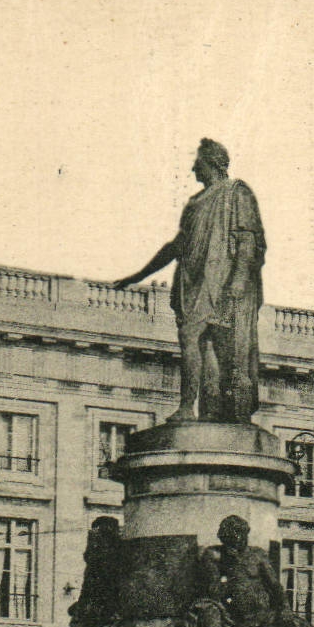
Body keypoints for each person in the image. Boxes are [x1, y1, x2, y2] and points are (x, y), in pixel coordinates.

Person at [113, 138, 266, 423]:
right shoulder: (195, 204)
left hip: (222, 283)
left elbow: (248, 239)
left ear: (213, 163)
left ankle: (204, 408)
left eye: (198, 162)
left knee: (219, 348)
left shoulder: (237, 192)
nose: (193, 168)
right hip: (194, 282)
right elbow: (175, 246)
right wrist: (137, 276)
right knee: (201, 344)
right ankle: (200, 409)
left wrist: (238, 280)